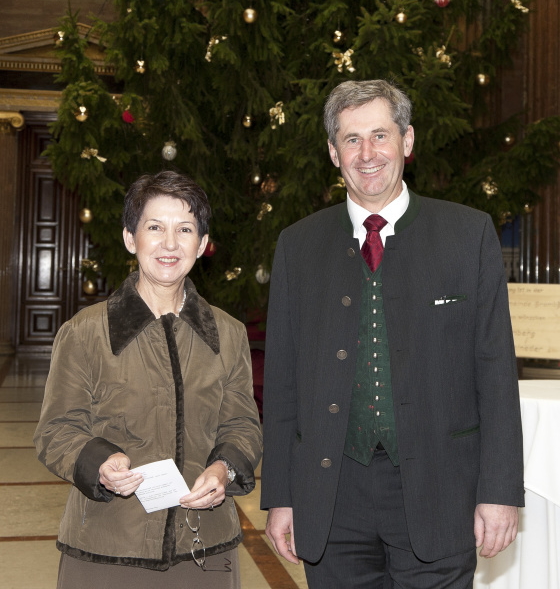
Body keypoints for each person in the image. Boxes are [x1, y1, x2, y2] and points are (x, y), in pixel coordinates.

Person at [261, 80, 524, 589]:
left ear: (407, 141)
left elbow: (495, 372)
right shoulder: (298, 246)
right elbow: (283, 384)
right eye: (352, 139)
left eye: (380, 135)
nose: (367, 154)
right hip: (332, 496)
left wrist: (500, 490)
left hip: (440, 492)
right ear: (333, 153)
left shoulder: (469, 236)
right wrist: (281, 496)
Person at [35, 170, 262, 589]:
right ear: (130, 238)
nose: (170, 243)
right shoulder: (85, 332)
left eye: (185, 229)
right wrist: (99, 462)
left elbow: (242, 425)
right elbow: (56, 431)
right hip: (106, 547)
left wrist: (223, 469)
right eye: (155, 227)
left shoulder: (227, 334)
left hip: (204, 547)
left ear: (202, 243)